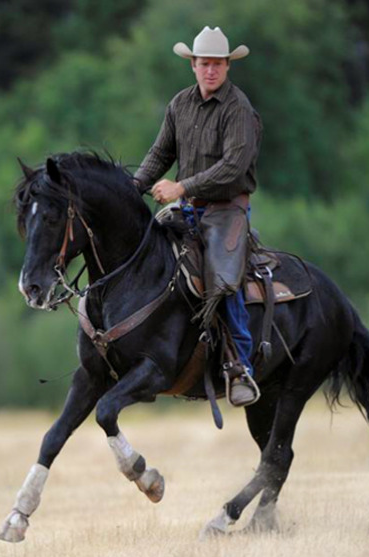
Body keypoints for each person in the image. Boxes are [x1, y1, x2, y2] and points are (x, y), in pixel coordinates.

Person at [133, 26, 262, 407]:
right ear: (192, 64)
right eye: (204, 63)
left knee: (223, 275)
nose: (211, 70)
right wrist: (132, 188)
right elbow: (160, 154)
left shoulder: (238, 109)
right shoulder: (179, 105)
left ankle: (239, 366)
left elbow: (233, 167)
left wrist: (182, 187)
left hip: (227, 207)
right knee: (145, 256)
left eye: (218, 64)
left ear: (227, 66)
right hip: (187, 208)